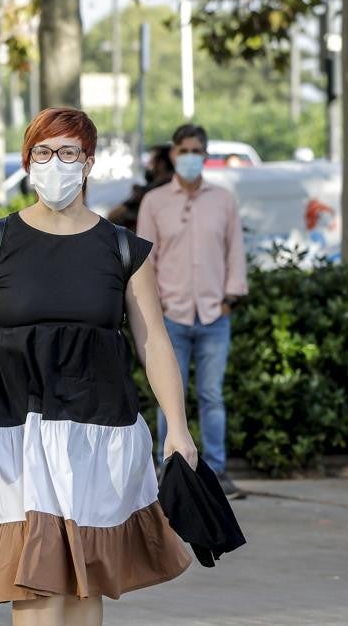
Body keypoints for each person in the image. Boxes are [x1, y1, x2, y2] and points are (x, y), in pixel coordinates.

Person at [0, 107, 197, 626]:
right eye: (42, 152)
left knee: (86, 584)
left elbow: (153, 343)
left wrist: (179, 428)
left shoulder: (124, 249)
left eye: (67, 152)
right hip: (12, 432)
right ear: (27, 161)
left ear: (88, 163)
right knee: (32, 584)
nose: (54, 162)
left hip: (99, 433)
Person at [137, 123, 248, 498]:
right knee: (168, 393)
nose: (189, 157)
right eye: (182, 150)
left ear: (205, 153)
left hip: (215, 313)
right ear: (173, 154)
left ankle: (216, 470)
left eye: (195, 150)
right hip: (171, 312)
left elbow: (235, 250)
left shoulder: (223, 200)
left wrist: (230, 297)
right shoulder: (155, 202)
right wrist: (156, 303)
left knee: (212, 394)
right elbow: (144, 258)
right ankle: (171, 468)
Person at [108, 144, 175, 231]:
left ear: (161, 164)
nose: (148, 166)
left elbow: (113, 216)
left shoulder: (149, 192)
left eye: (151, 161)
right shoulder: (179, 186)